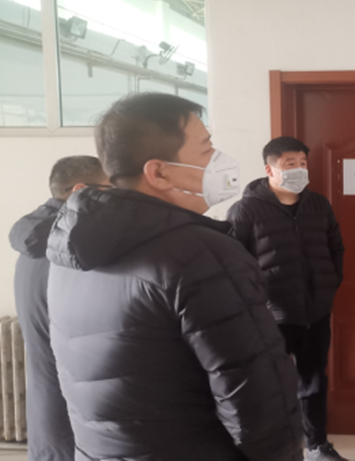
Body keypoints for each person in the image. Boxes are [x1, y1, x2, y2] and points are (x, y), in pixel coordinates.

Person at [46, 93, 302, 461]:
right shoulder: (202, 253)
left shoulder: (69, 254)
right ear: (159, 172)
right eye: (206, 149)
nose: (218, 160)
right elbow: (256, 397)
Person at [227, 136, 346, 461]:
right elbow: (234, 262)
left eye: (303, 163)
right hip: (270, 315)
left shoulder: (318, 204)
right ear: (270, 169)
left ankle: (317, 445)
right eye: (290, 164)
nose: (299, 169)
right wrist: (254, 301)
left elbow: (335, 247)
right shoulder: (245, 210)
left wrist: (330, 285)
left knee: (314, 381)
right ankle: (270, 449)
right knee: (266, 383)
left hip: (315, 312)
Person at [9, 156, 109, 461]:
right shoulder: (69, 250)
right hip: (73, 415)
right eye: (110, 189)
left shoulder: (38, 240)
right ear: (80, 190)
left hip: (48, 413)